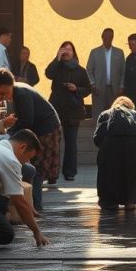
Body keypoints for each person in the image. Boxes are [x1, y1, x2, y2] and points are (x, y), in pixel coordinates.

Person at [93, 96, 136, 210]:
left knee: (109, 174)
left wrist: (105, 149)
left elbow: (97, 138)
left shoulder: (105, 114)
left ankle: (110, 202)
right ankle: (131, 201)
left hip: (111, 145)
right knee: (135, 173)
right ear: (131, 106)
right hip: (135, 145)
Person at [9, 83, 62, 210]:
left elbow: (27, 120)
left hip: (46, 131)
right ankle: (33, 206)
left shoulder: (21, 94)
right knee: (35, 170)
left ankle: (36, 207)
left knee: (37, 170)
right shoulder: (19, 91)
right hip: (43, 130)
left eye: (3, 94)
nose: (3, 98)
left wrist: (11, 132)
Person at [45, 41, 92, 182]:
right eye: (63, 49)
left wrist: (76, 89)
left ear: (74, 53)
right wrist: (57, 58)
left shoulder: (80, 70)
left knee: (71, 142)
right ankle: (51, 174)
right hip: (56, 109)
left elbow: (88, 89)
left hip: (73, 110)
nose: (66, 51)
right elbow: (48, 73)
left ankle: (69, 172)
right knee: (53, 142)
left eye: (69, 49)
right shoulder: (57, 67)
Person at [86, 28, 125, 119]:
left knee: (114, 115)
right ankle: (98, 132)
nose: (108, 38)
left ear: (113, 38)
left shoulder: (119, 52)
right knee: (98, 115)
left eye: (110, 36)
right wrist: (92, 84)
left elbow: (123, 71)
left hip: (114, 90)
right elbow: (89, 70)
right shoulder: (94, 52)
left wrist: (121, 86)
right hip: (98, 89)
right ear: (102, 37)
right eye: (106, 36)